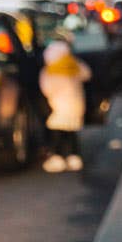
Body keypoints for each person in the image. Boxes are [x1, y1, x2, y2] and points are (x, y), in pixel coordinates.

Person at [39, 39, 91, 173]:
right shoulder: (74, 66)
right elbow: (87, 74)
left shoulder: (50, 71)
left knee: (57, 134)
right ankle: (74, 156)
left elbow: (46, 89)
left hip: (59, 108)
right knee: (71, 133)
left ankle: (58, 156)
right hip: (77, 106)